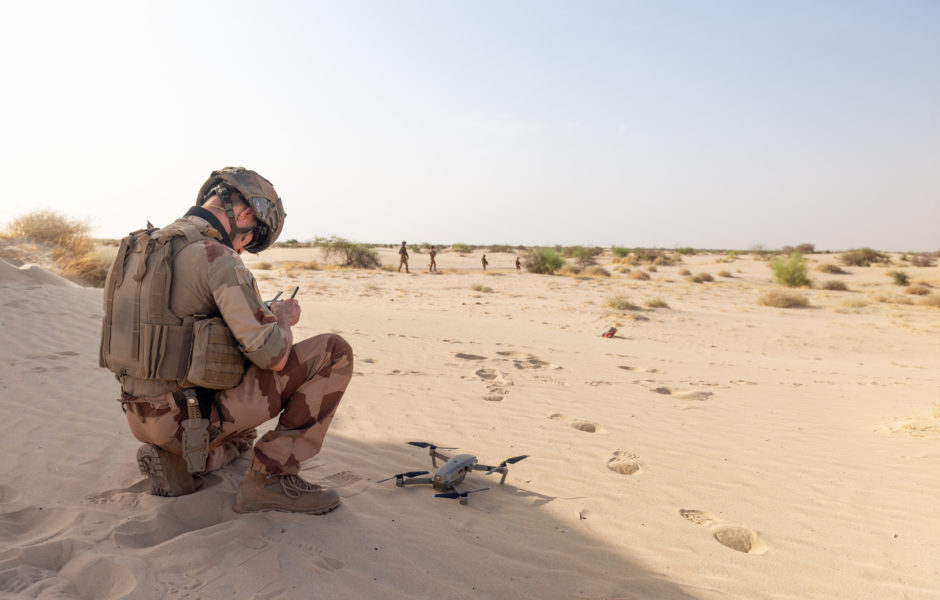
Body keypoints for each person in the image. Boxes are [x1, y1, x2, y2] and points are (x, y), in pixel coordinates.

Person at [99, 167, 353, 515]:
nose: (244, 249)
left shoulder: (138, 249)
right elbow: (274, 357)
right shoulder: (217, 256)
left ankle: (183, 465)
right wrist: (282, 317)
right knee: (334, 352)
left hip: (140, 415)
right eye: (250, 239)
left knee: (243, 437)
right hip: (188, 418)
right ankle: (272, 480)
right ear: (245, 214)